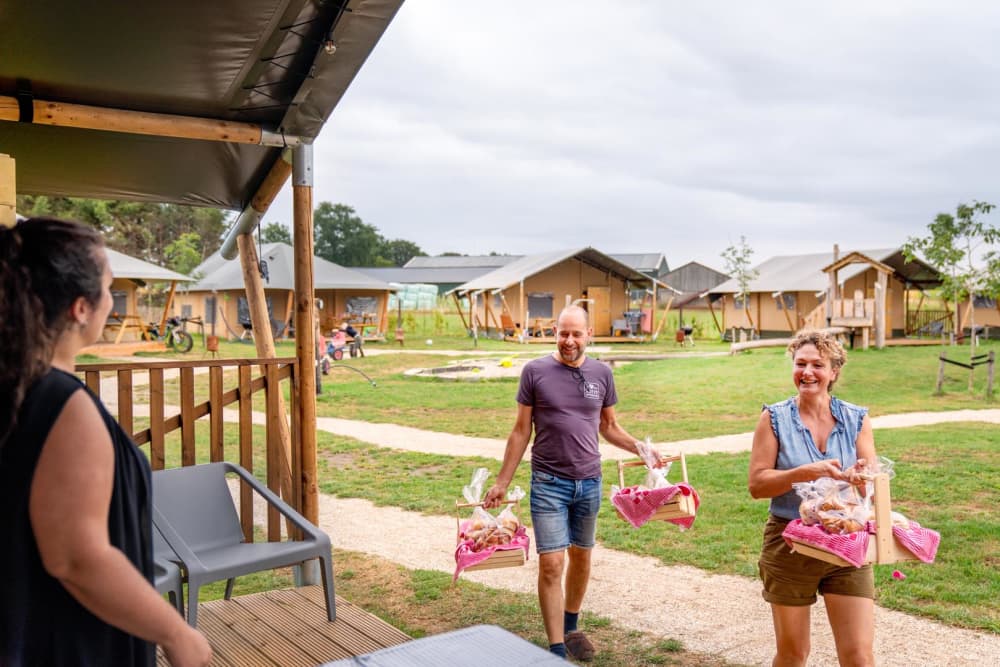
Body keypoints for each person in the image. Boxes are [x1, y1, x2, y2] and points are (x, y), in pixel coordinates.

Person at [0, 218, 212, 667]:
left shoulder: (17, 387)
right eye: (109, 286)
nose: (111, 299)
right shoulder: (60, 404)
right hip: (68, 639)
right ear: (81, 307)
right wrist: (176, 633)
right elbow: (78, 558)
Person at [483, 305, 660, 661]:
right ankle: (557, 649)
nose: (569, 340)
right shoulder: (535, 372)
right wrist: (502, 481)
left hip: (590, 482)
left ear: (588, 335)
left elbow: (608, 426)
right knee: (552, 563)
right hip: (548, 482)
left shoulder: (601, 373)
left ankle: (571, 625)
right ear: (554, 332)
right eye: (563, 333)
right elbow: (521, 431)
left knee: (581, 556)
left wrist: (640, 447)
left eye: (576, 334)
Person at [747, 329, 877, 667]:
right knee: (793, 654)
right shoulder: (773, 418)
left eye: (817, 365)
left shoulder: (856, 419)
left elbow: (871, 484)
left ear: (834, 372)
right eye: (800, 363)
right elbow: (758, 486)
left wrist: (863, 476)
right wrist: (804, 472)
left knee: (858, 656)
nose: (807, 372)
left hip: (846, 541)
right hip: (789, 542)